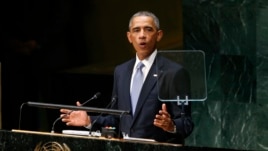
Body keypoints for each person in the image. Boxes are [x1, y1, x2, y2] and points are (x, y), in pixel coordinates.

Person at [60, 10, 194, 144]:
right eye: (136, 30)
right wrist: (89, 120)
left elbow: (187, 123)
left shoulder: (174, 72)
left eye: (148, 29)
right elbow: (116, 119)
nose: (142, 35)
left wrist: (171, 126)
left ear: (159, 35)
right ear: (129, 37)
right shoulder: (121, 71)